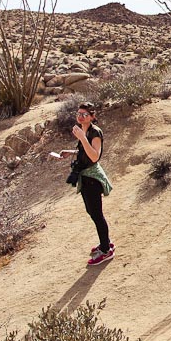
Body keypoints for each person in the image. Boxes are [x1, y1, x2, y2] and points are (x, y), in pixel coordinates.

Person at [60, 102, 115, 266]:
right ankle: (105, 242)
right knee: (91, 212)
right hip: (85, 176)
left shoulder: (95, 133)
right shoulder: (84, 131)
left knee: (97, 214)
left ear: (92, 116)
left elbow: (94, 156)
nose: (80, 117)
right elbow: (85, 150)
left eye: (84, 114)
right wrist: (70, 152)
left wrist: (82, 138)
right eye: (79, 114)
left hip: (92, 178)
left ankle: (106, 251)